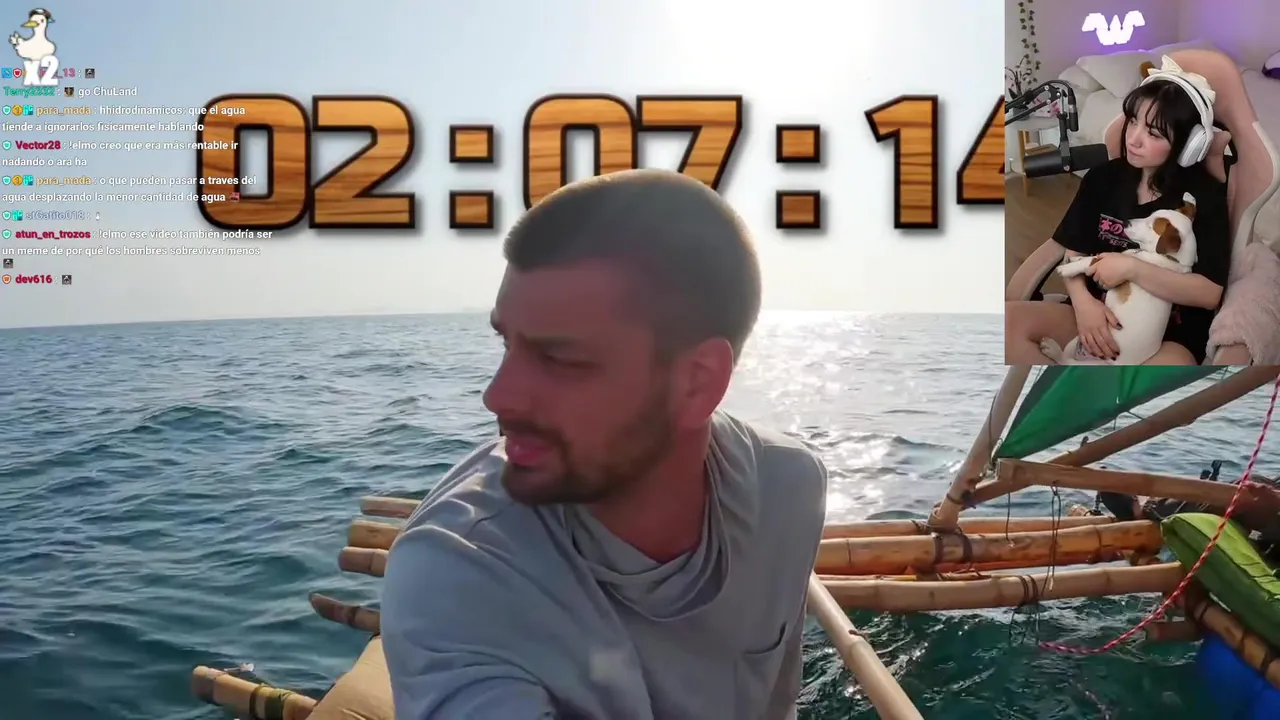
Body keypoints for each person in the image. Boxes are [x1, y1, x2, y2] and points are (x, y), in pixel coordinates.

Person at [381, 169, 829, 720]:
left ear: (697, 382)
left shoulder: (788, 487)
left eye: (560, 360)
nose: (497, 396)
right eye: (506, 343)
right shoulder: (457, 578)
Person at [1006, 65, 1231, 365]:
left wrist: (1132, 269)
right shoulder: (1103, 178)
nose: (1133, 139)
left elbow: (1209, 293)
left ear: (1187, 145)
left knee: (1138, 382)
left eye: (1153, 133)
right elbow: (1074, 253)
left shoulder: (1204, 196)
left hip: (1167, 336)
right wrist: (1084, 306)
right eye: (1133, 121)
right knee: (1007, 327)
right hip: (1094, 313)